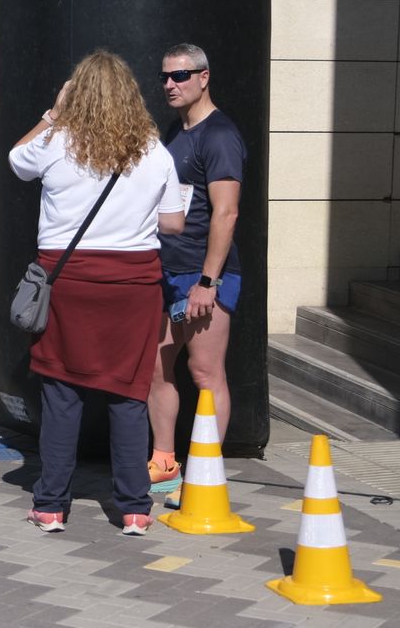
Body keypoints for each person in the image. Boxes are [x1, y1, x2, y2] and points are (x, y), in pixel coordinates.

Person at [9, 51, 184, 535]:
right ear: (132, 96)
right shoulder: (155, 152)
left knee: (62, 392)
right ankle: (134, 509)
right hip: (134, 287)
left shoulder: (55, 142)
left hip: (67, 282)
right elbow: (173, 222)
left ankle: (51, 506)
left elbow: (16, 160)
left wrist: (52, 114)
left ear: (76, 95)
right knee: (128, 395)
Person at [147, 43, 247, 506]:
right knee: (156, 367)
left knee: (205, 372)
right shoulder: (176, 129)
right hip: (167, 269)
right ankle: (164, 465)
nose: (170, 84)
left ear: (204, 77)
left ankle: (204, 474)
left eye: (180, 75)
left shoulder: (219, 135)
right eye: (165, 77)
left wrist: (208, 283)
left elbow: (226, 213)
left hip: (202, 274)